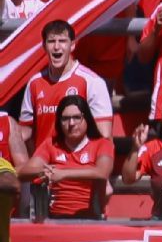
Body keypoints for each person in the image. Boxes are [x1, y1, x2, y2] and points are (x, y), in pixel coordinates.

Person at [20, 20, 112, 148]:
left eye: (62, 41)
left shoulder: (92, 82)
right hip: (43, 165)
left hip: (77, 165)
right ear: (44, 46)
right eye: (51, 41)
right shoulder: (34, 83)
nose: (57, 47)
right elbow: (25, 134)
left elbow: (104, 136)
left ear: (72, 45)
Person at [19, 94, 113, 219]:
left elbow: (102, 172)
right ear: (59, 121)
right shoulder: (51, 144)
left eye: (77, 117)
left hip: (92, 218)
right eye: (65, 119)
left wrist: (63, 173)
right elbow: (22, 172)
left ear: (87, 119)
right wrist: (43, 171)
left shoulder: (102, 144)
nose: (71, 123)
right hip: (57, 218)